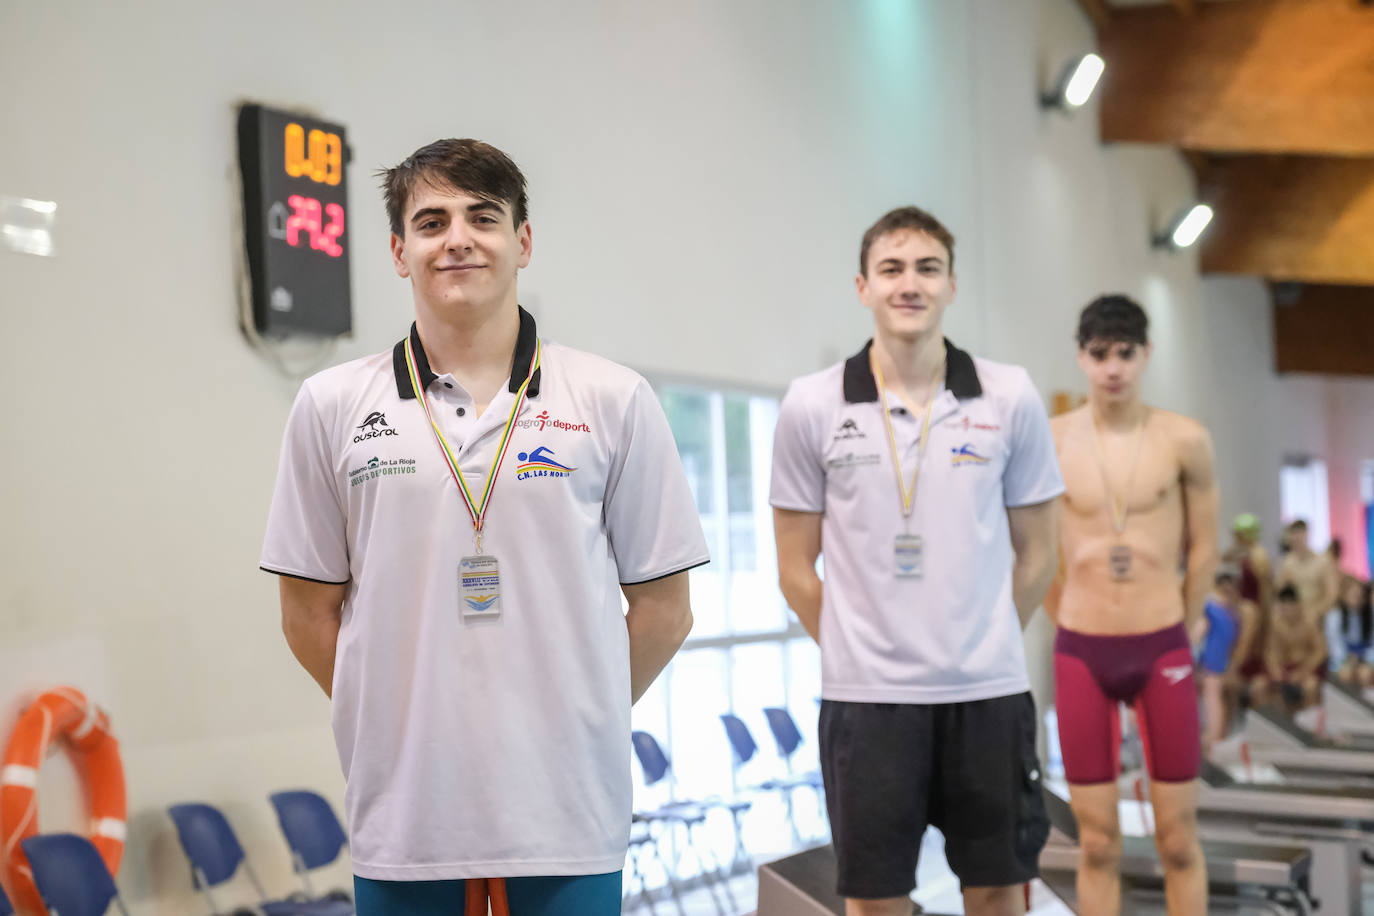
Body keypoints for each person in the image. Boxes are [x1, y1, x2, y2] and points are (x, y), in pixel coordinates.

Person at [261, 138, 708, 915]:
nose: (457, 237)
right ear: (399, 252)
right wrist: (398, 713)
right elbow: (306, 613)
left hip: (568, 813)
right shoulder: (331, 406)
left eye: (483, 216)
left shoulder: (613, 399)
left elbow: (667, 611)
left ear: (522, 242)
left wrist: (575, 707)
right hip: (405, 820)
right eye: (430, 221)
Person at [771, 206, 1062, 916]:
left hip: (986, 694)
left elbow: (1041, 552)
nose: (910, 283)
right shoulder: (812, 404)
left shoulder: (1009, 395)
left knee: (998, 891)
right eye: (892, 268)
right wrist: (860, 648)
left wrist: (982, 633)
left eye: (927, 268)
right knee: (875, 901)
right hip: (866, 703)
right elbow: (792, 567)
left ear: (952, 285)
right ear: (862, 286)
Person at [1047, 294, 1219, 916]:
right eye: (1099, 354)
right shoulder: (1052, 440)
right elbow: (1033, 550)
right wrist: (1064, 613)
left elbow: (1203, 547)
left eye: (1125, 353)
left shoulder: (1184, 440)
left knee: (1177, 839)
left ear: (1146, 354)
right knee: (1095, 843)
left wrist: (1185, 621)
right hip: (1082, 651)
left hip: (1160, 645)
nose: (1112, 367)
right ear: (1080, 358)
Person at [1252, 585, 1326, 713]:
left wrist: (1304, 671)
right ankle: (1266, 721)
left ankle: (1308, 723)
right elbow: (1269, 651)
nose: (1287, 611)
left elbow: (1320, 650)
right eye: (1283, 607)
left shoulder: (1310, 622)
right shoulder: (1275, 624)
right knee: (1258, 685)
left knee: (1311, 686)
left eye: (1290, 606)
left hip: (1304, 668)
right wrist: (1275, 669)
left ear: (1298, 605)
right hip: (1281, 669)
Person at [1196, 570, 1241, 753]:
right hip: (1218, 652)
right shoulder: (1228, 611)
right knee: (1212, 693)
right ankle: (1213, 735)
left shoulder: (1209, 605)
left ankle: (1213, 736)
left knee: (1212, 693)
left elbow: (1198, 631)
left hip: (1213, 653)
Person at [1226, 514, 1272, 689]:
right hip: (1245, 607)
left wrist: (1264, 618)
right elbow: (1224, 557)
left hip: (1252, 608)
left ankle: (1233, 671)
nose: (1234, 538)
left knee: (1244, 647)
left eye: (1237, 534)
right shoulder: (1246, 552)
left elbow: (1266, 590)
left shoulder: (1258, 555)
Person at [1277, 520, 1340, 629]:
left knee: (1331, 620)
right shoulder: (1287, 563)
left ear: (1306, 535)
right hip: (1296, 613)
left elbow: (1332, 595)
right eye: (1293, 537)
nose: (1296, 540)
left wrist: (1317, 611)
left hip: (1319, 613)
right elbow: (1281, 591)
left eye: (1299, 536)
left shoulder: (1324, 561)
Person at [1333, 578, 1374, 687]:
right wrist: (1348, 660)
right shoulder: (1335, 616)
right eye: (1354, 596)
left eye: (1361, 597)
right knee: (1346, 674)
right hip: (1343, 658)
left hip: (1363, 656)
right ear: (1345, 596)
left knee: (1366, 673)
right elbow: (1335, 645)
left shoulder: (1370, 615)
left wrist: (1365, 659)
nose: (1358, 600)